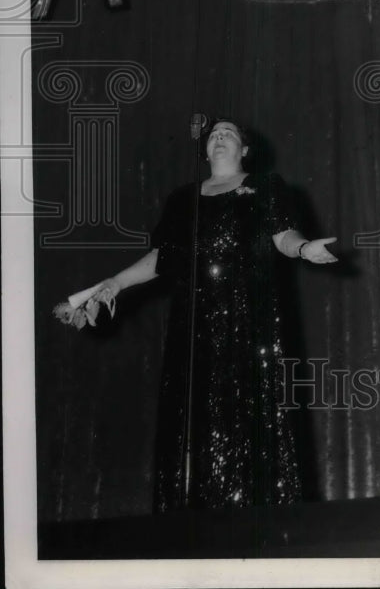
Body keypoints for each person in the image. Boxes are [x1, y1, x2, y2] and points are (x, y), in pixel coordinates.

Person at [54, 118, 336, 513]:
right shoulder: (181, 200)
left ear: (245, 150)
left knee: (249, 414)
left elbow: (282, 236)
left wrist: (305, 249)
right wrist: (114, 284)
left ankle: (257, 523)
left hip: (248, 321)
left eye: (229, 133)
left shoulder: (268, 187)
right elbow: (161, 259)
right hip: (194, 325)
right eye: (214, 135)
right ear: (204, 150)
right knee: (193, 419)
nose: (219, 138)